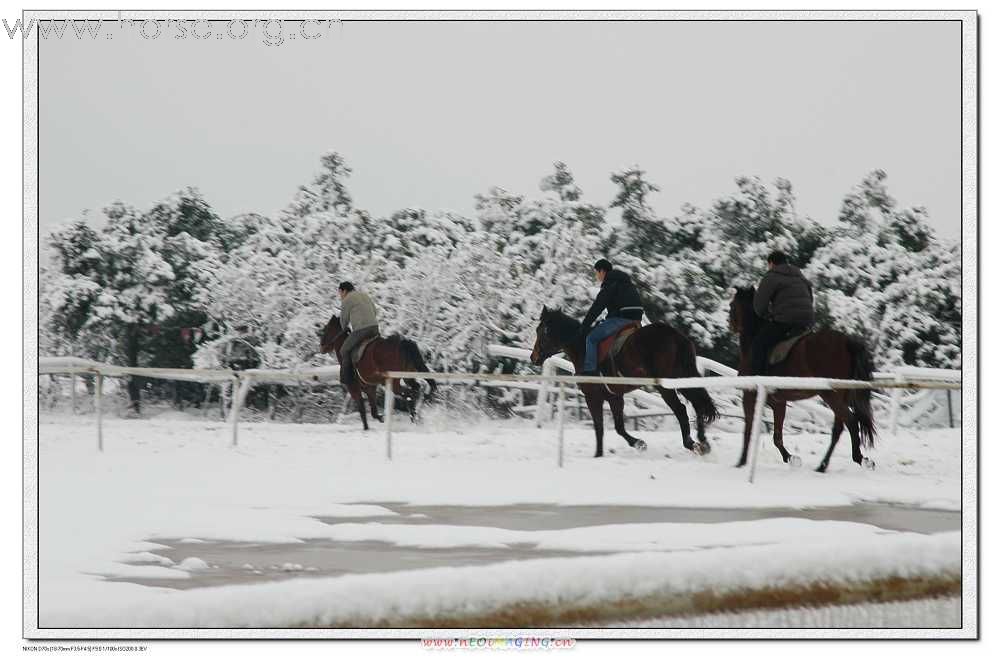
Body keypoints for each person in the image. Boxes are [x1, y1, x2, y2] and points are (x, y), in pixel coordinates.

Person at [750, 251, 815, 375]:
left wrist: (768, 315)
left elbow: (759, 306)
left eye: (768, 265)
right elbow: (810, 300)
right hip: (807, 321)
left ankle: (758, 381)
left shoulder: (771, 276)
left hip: (785, 321)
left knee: (759, 344)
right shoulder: (801, 277)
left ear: (771, 263)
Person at [578, 259, 645, 376]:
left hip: (622, 319)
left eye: (596, 273)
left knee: (591, 338)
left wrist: (584, 325)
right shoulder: (625, 282)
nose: (597, 276)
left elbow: (597, 306)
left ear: (602, 271)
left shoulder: (610, 284)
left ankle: (590, 371)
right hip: (637, 319)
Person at [337, 281, 380, 387]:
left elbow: (344, 320)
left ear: (344, 291)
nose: (340, 296)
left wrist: (344, 329)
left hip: (361, 330)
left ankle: (346, 379)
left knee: (344, 350)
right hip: (374, 327)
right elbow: (375, 311)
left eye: (340, 293)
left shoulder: (347, 300)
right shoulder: (364, 295)